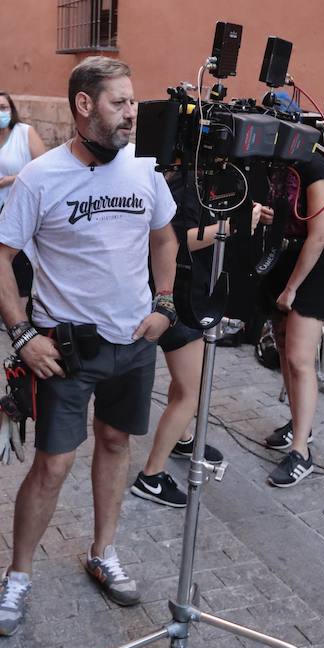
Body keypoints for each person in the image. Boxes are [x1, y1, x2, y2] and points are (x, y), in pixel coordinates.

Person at [0, 56, 178, 637]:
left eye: (132, 103)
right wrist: (22, 337)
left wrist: (164, 304)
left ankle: (103, 551)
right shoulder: (41, 178)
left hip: (134, 345)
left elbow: (164, 237)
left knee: (116, 444)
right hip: (64, 351)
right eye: (119, 103)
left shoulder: (145, 174)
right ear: (84, 106)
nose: (131, 114)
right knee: (53, 464)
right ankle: (17, 576)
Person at [129, 172, 271, 508]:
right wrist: (232, 227)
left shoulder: (200, 177)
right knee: (191, 394)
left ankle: (183, 439)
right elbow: (178, 237)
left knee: (183, 385)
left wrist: (246, 215)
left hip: (189, 293)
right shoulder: (184, 181)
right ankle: (151, 475)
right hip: (181, 296)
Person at [260, 149, 324, 488]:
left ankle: (301, 451)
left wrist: (292, 288)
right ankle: (297, 424)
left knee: (299, 358)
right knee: (283, 350)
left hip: (312, 265)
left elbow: (318, 235)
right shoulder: (275, 164)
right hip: (282, 256)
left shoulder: (315, 167)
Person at [0, 91, 46, 216]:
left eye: (3, 108)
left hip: (20, 206)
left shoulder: (25, 132)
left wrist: (12, 179)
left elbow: (43, 169)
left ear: (11, 110)